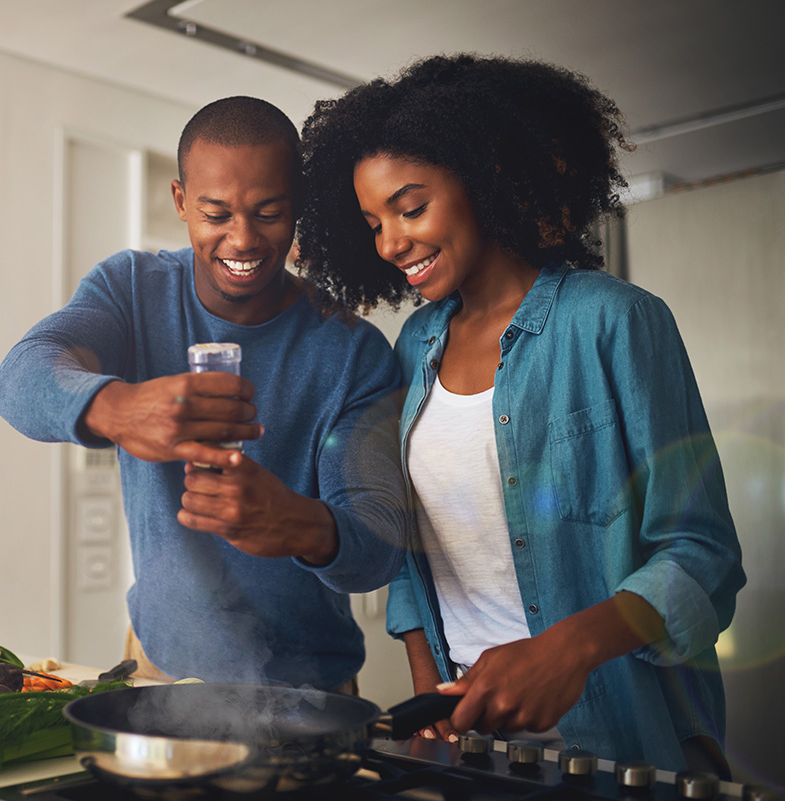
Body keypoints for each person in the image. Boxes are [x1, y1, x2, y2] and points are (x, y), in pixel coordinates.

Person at [295, 54, 744, 772]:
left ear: (485, 177)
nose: (390, 242)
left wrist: (565, 650)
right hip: (474, 744)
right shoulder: (414, 344)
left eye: (411, 208)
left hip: (625, 743)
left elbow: (703, 554)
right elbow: (414, 547)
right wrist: (427, 691)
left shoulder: (615, 322)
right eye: (374, 222)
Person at [0, 96, 409, 692]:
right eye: (215, 213)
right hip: (159, 669)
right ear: (181, 201)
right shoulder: (131, 290)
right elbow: (17, 378)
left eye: (269, 213)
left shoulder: (352, 352)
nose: (242, 240)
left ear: (299, 209)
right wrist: (120, 409)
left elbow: (377, 546)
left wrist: (296, 524)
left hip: (310, 692)